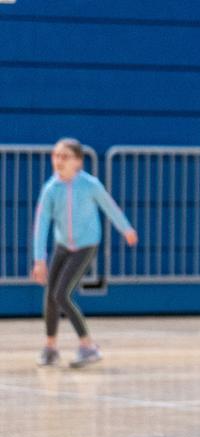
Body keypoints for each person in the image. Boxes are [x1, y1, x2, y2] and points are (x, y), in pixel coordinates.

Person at [30, 138, 138, 368]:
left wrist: (126, 228)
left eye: (65, 156)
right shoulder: (50, 189)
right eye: (56, 156)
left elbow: (110, 206)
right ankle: (50, 348)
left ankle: (88, 346)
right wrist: (39, 260)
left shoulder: (90, 185)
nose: (58, 161)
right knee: (50, 296)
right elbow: (41, 225)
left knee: (61, 294)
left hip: (86, 245)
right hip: (63, 246)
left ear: (78, 162)